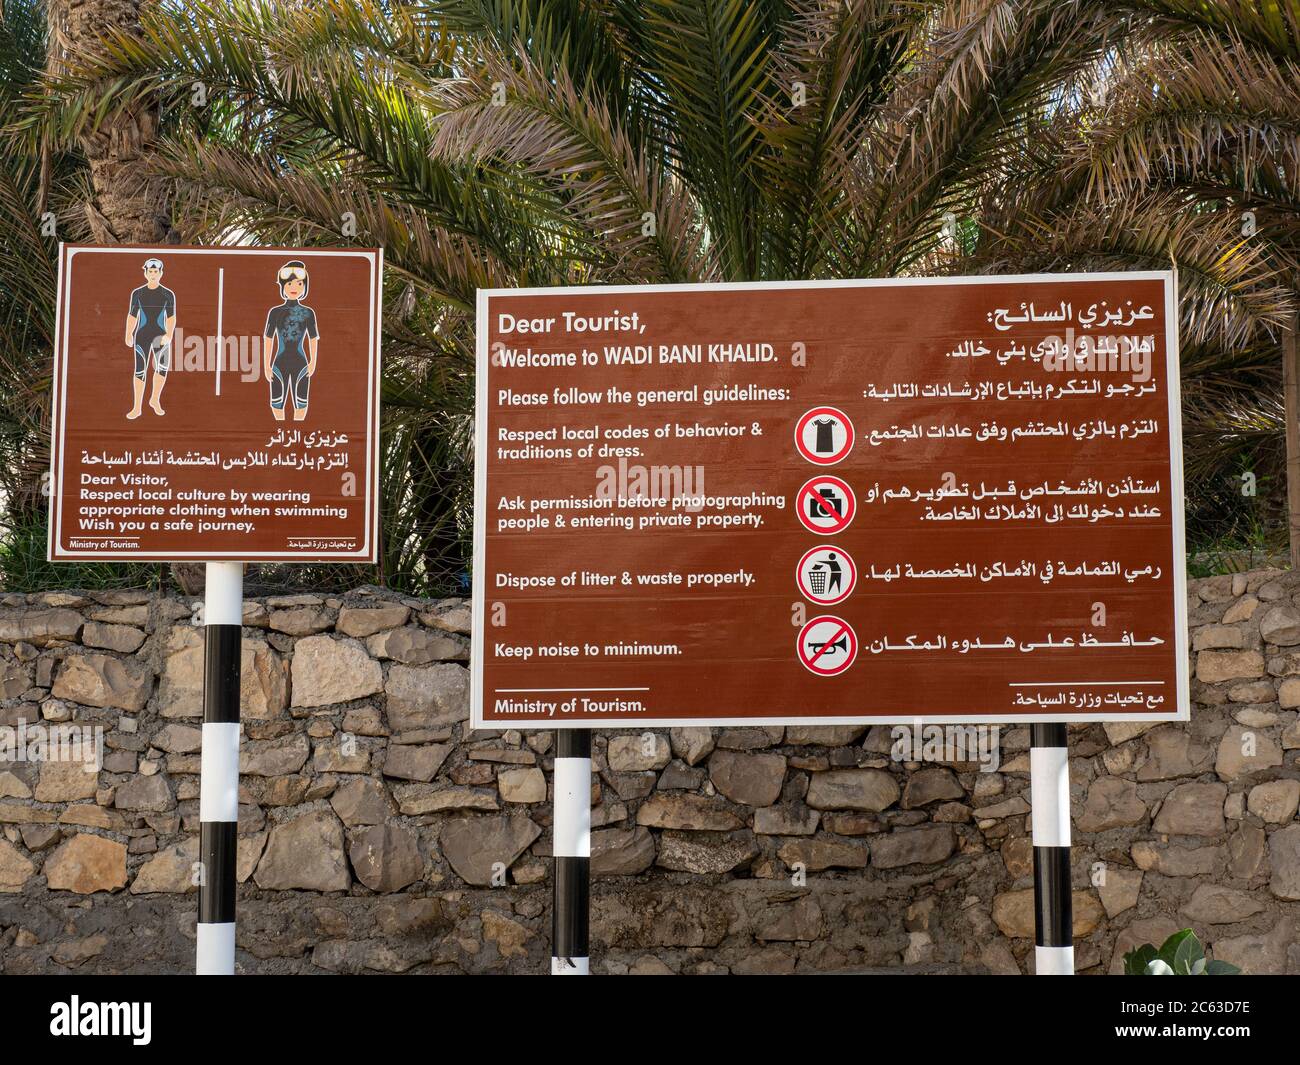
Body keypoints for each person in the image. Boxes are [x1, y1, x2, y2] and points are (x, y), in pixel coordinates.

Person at [262, 261, 319, 421]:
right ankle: (281, 435)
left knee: (301, 404)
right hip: (279, 364)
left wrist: (313, 361)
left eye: (299, 283)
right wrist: (266, 365)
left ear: (304, 287)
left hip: (301, 364)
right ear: (283, 286)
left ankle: (296, 437)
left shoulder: (308, 312)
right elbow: (268, 338)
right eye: (289, 283)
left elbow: (313, 338)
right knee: (276, 403)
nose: (294, 287)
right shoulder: (275, 312)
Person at [123, 258, 176, 419]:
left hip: (161, 335)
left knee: (162, 368)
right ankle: (137, 407)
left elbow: (171, 318)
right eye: (150, 271)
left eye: (156, 272)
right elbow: (132, 316)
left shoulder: (168, 294)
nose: (153, 274)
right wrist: (128, 333)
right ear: (145, 273)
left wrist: (169, 335)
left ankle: (154, 399)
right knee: (140, 370)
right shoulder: (138, 293)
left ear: (161, 273)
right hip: (143, 336)